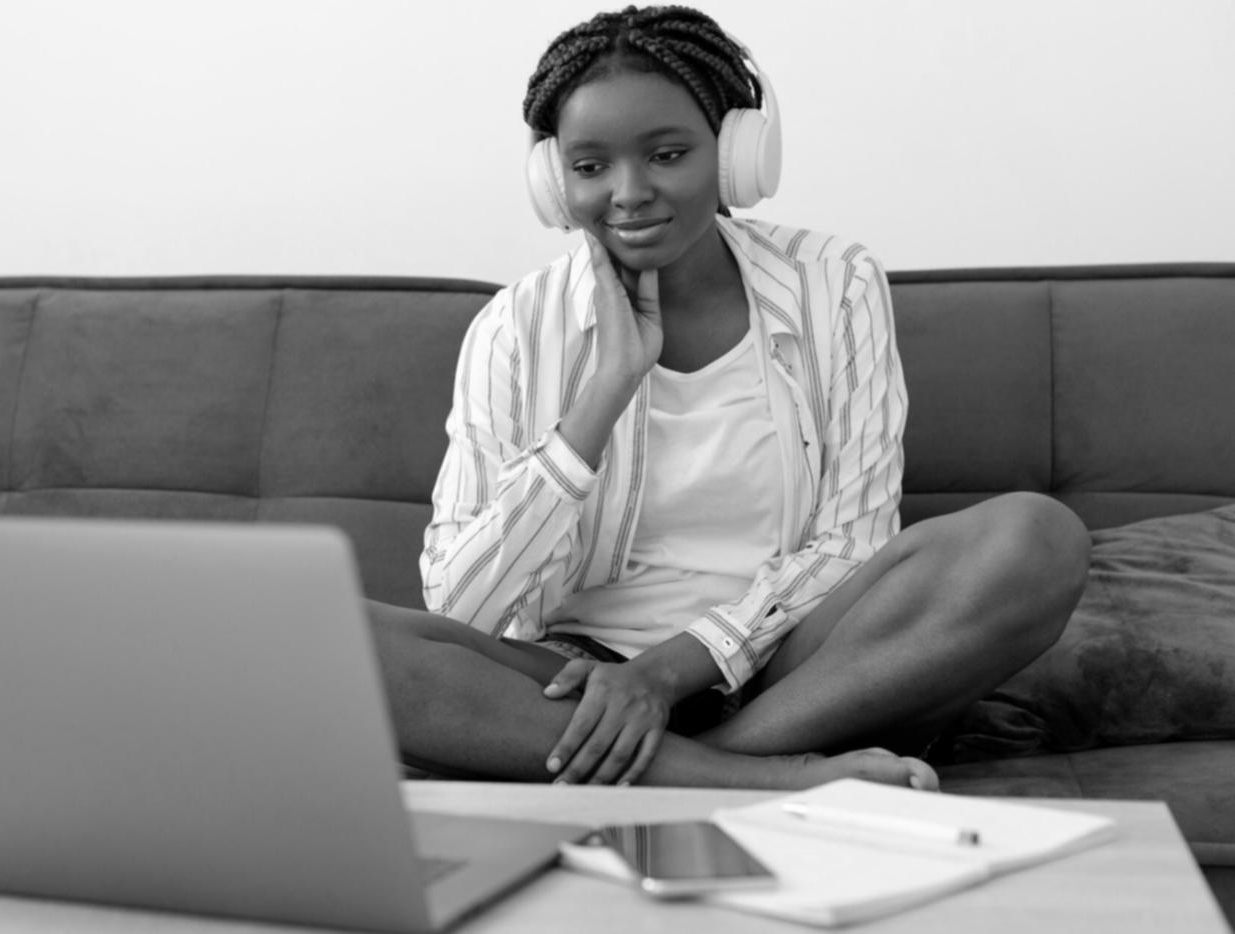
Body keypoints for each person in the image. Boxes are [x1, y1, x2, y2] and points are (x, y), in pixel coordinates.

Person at [368, 4, 1090, 790]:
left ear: (737, 154)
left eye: (668, 154)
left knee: (1034, 538)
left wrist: (669, 672)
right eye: (589, 166)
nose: (629, 192)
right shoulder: (516, 326)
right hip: (570, 679)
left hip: (799, 669)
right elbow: (461, 607)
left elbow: (852, 543)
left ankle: (707, 766)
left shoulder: (832, 283)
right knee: (335, 638)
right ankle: (761, 779)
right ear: (553, 179)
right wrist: (602, 395)